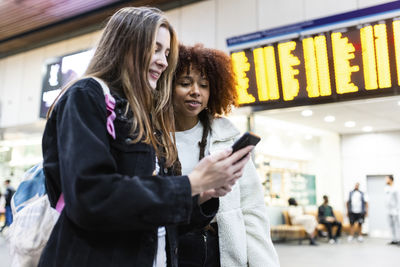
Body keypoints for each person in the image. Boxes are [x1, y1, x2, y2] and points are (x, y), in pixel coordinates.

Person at [38, 7, 253, 267]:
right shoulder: (87, 95)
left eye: (166, 53)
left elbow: (158, 221)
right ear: (126, 44)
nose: (164, 61)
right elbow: (91, 197)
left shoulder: (145, 116)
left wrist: (202, 195)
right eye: (156, 48)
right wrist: (191, 184)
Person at [173, 44, 280, 267]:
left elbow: (252, 209)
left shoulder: (227, 138)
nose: (196, 91)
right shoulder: (153, 140)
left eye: (204, 85)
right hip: (173, 250)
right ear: (167, 86)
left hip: (220, 253)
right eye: (185, 83)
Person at [384, 175, 400, 245]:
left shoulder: (395, 188)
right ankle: (394, 239)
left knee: (397, 225)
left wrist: (397, 209)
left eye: (386, 179)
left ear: (390, 179)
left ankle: (399, 239)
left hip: (395, 210)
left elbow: (398, 199)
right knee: (391, 225)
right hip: (388, 210)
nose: (385, 180)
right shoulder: (386, 188)